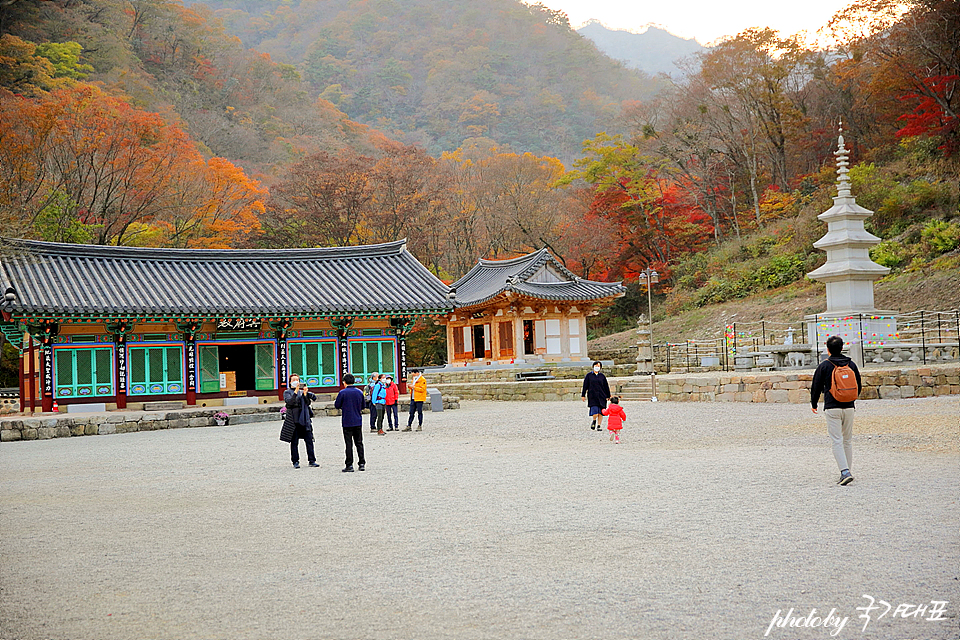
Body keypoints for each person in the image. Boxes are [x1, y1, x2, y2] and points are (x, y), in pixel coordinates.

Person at [811, 335, 862, 486]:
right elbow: (858, 385)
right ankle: (848, 470)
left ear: (827, 349)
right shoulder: (851, 364)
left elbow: (816, 386)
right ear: (842, 348)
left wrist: (814, 404)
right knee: (847, 440)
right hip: (849, 407)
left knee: (837, 440)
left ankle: (844, 472)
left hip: (832, 407)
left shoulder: (825, 365)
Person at [279, 373, 318, 468]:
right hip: (294, 420)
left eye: (297, 380)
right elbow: (290, 402)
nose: (295, 381)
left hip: (304, 419)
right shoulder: (287, 392)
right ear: (290, 382)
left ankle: (312, 460)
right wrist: (296, 391)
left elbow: (307, 403)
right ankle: (295, 461)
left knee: (309, 440)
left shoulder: (301, 392)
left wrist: (305, 394)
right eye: (293, 380)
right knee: (294, 442)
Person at [334, 373, 366, 472]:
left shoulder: (342, 393)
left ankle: (349, 465)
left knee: (348, 444)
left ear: (344, 382)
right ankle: (361, 463)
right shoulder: (359, 392)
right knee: (359, 442)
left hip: (347, 421)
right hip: (357, 420)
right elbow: (363, 406)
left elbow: (337, 405)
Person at [581, 361, 611, 431]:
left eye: (599, 366)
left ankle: (599, 425)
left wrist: (608, 395)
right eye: (596, 365)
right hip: (592, 396)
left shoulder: (602, 376)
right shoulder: (589, 376)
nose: (597, 367)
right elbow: (585, 385)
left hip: (602, 396)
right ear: (593, 366)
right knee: (595, 412)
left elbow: (606, 386)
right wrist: (583, 395)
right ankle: (594, 420)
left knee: (601, 412)